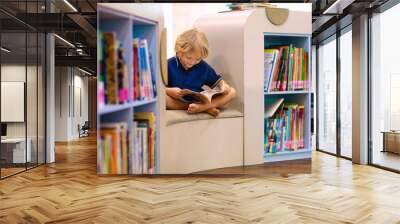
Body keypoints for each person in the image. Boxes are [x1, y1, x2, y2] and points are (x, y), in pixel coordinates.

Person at [166, 28, 236, 117]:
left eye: (198, 59)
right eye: (189, 58)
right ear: (179, 52)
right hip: (178, 101)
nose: (192, 62)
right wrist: (169, 91)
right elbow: (157, 89)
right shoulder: (168, 65)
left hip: (199, 100)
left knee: (232, 92)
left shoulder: (202, 66)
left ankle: (203, 107)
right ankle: (202, 108)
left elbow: (219, 81)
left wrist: (223, 86)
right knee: (163, 99)